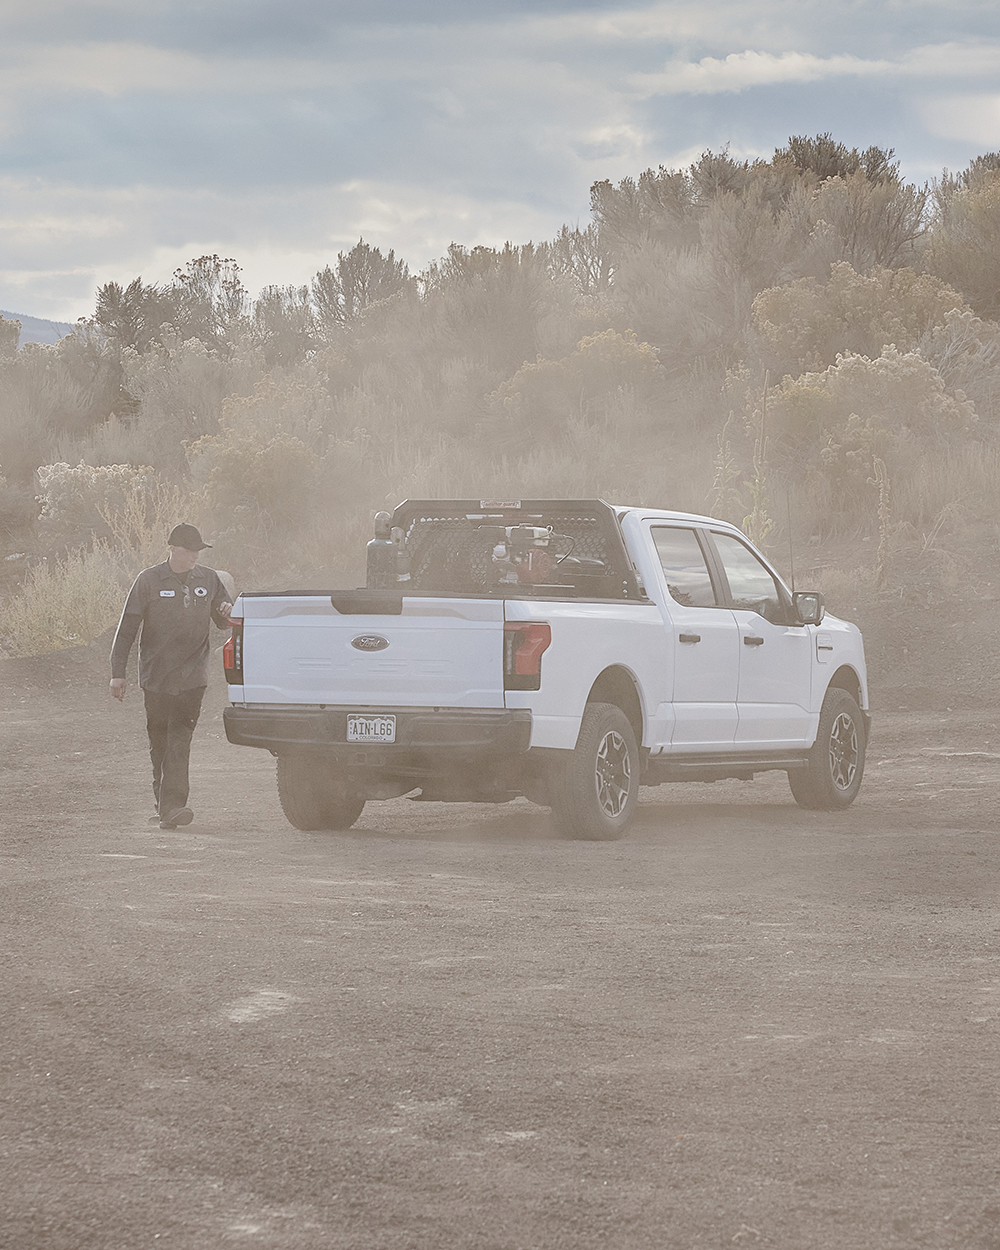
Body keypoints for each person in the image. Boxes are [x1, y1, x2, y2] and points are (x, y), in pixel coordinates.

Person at [110, 524, 232, 830]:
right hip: (157, 677)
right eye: (189, 551)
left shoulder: (209, 579)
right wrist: (117, 673)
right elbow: (127, 628)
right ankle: (164, 806)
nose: (194, 556)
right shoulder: (148, 581)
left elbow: (223, 621)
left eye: (197, 552)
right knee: (159, 742)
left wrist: (227, 610)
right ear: (173, 549)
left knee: (180, 740)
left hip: (193, 677)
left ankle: (175, 806)